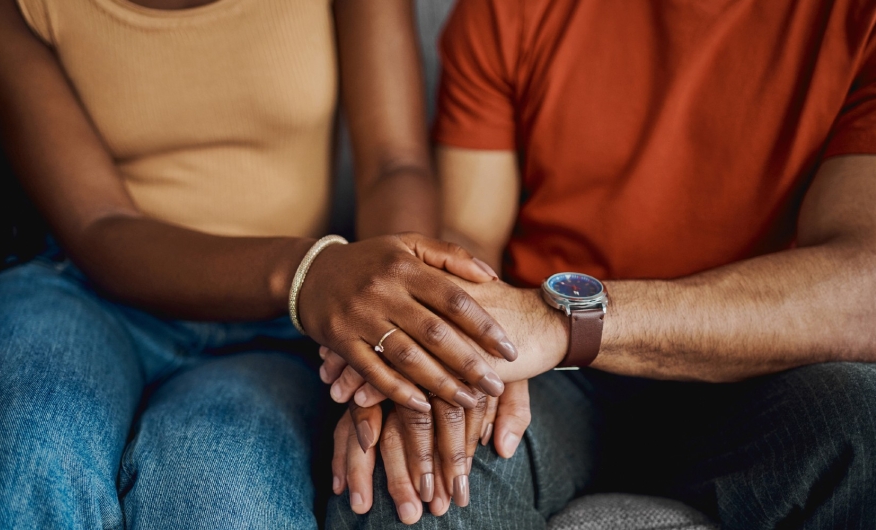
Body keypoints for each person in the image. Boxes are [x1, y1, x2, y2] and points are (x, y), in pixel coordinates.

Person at [324, 0, 876, 528]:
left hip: (762, 369)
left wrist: (560, 321)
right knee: (410, 478)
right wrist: (442, 345)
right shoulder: (509, 9)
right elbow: (469, 235)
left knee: (863, 421)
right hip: (548, 378)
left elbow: (862, 287)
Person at [0, 0, 520, 527]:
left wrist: (385, 337)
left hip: (283, 324)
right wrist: (309, 273)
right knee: (34, 441)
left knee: (223, 495)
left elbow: (393, 163)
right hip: (83, 293)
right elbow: (97, 225)